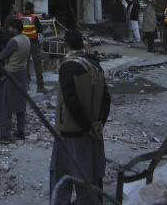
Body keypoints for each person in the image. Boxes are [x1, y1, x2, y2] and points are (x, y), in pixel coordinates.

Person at [50, 29, 111, 205]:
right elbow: (106, 98)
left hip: (71, 134)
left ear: (65, 45)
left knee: (62, 178)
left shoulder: (67, 67)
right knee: (91, 176)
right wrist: (99, 123)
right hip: (94, 133)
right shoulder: (95, 65)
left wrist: (86, 126)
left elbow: (71, 102)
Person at [0, 17, 30, 143]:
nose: (10, 29)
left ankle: (5, 135)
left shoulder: (14, 41)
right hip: (22, 72)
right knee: (21, 104)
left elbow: (2, 56)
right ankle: (20, 131)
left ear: (15, 29)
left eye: (11, 27)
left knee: (6, 105)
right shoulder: (26, 39)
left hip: (11, 73)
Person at [18, 2, 46, 93]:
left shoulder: (19, 18)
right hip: (33, 43)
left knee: (23, 64)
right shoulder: (34, 18)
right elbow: (40, 30)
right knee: (37, 65)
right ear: (31, 9)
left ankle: (25, 85)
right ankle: (40, 87)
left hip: (23, 44)